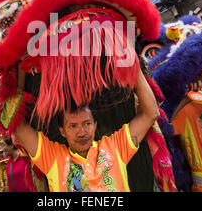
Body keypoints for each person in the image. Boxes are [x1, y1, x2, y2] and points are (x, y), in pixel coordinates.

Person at [12, 69, 159, 192]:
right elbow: (18, 127)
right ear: (62, 131)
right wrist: (19, 67)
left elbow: (151, 114)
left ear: (95, 125)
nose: (81, 132)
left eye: (87, 123)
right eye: (73, 126)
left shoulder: (115, 147)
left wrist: (132, 62)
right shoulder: (52, 158)